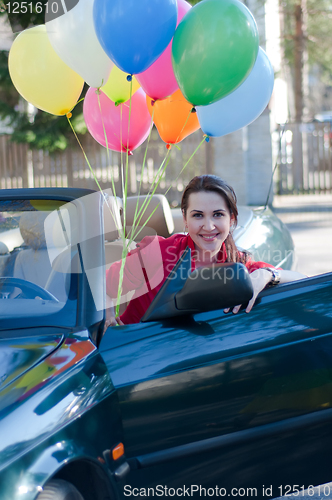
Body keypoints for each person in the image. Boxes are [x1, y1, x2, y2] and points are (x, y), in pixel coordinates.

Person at [105, 175, 306, 328]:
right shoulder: (157, 252)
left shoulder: (239, 263)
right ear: (185, 218)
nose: (208, 226)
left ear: (232, 219)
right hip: (137, 359)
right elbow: (100, 286)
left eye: (218, 214)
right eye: (198, 215)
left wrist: (268, 274)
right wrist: (107, 320)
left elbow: (304, 281)